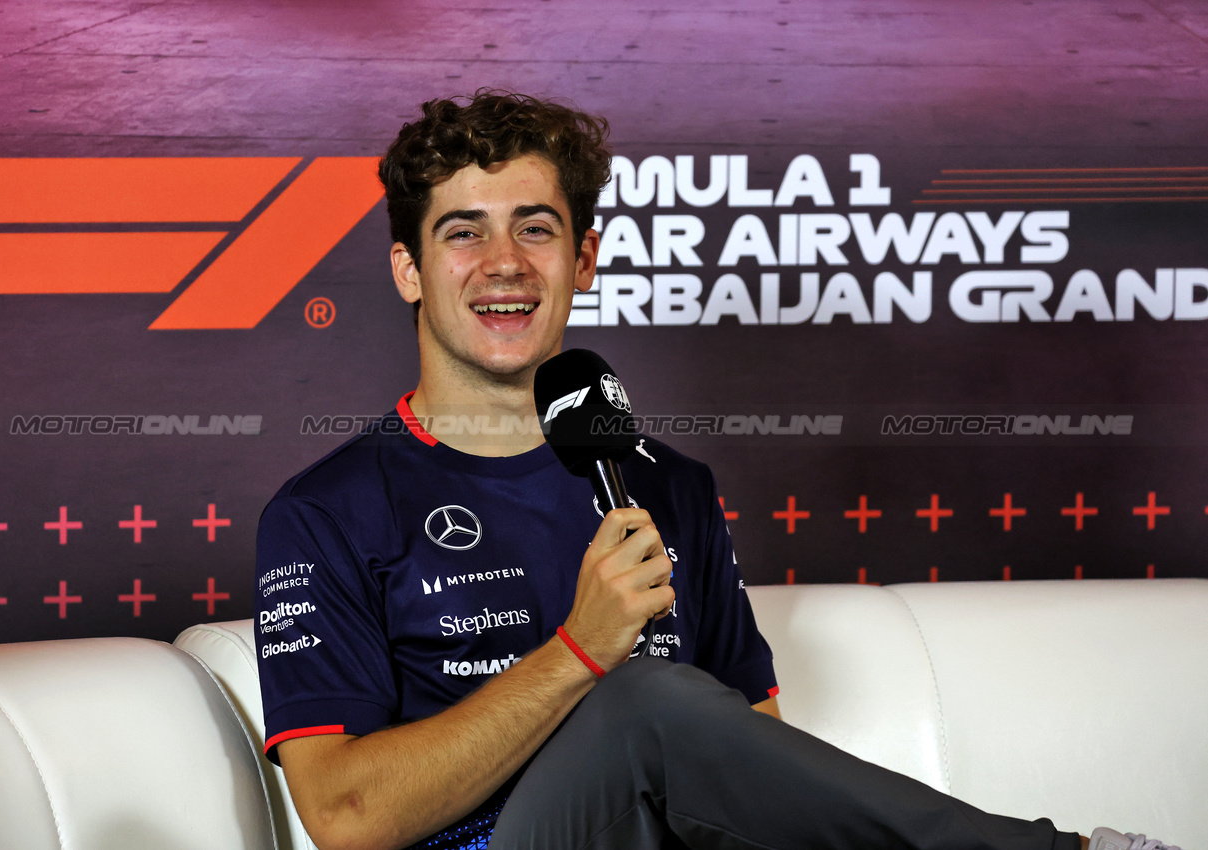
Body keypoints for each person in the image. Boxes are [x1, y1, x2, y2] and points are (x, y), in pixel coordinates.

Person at [254, 91, 1181, 850]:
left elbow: (753, 767)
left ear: (583, 259)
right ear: (409, 270)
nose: (503, 264)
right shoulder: (326, 511)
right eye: (463, 233)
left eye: (535, 230)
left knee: (664, 712)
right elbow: (343, 816)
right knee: (642, 701)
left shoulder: (663, 484)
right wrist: (580, 651)